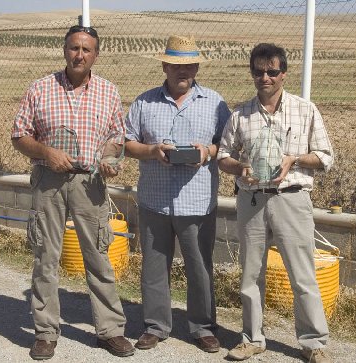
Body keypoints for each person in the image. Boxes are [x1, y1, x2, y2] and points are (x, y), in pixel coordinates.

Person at [11, 25, 134, 360]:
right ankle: (45, 332)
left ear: (96, 54)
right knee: (45, 257)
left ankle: (110, 331)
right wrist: (46, 152)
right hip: (48, 181)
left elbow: (117, 137)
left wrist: (110, 158)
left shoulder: (108, 92)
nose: (79, 55)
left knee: (98, 256)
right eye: (74, 48)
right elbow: (19, 135)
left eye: (86, 49)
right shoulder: (40, 88)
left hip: (89, 184)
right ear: (64, 50)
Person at [217, 43, 334, 363]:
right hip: (251, 201)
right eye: (258, 71)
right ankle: (252, 338)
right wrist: (241, 168)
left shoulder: (305, 110)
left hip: (291, 200)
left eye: (271, 71)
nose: (264, 77)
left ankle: (313, 342)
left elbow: (325, 157)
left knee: (302, 274)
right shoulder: (240, 115)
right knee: (250, 274)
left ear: (284, 73)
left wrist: (293, 160)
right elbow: (222, 157)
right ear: (252, 73)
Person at [124, 35, 231, 353]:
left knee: (200, 267)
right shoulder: (144, 102)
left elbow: (227, 145)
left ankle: (202, 327)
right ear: (165, 65)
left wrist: (207, 151)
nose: (182, 70)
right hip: (154, 200)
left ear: (197, 66)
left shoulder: (215, 103)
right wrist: (152, 150)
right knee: (154, 266)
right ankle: (155, 326)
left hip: (197, 201)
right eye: (176, 64)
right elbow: (127, 143)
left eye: (189, 65)